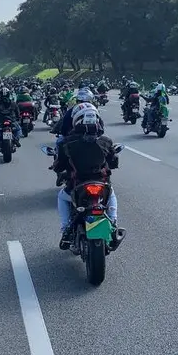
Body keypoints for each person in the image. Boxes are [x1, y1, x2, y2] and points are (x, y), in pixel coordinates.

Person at [52, 104, 123, 250]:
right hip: (102, 185)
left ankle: (65, 229)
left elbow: (59, 166)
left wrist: (61, 170)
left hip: (78, 186)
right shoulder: (106, 140)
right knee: (112, 196)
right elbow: (114, 163)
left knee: (61, 197)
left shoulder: (67, 142)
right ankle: (114, 223)